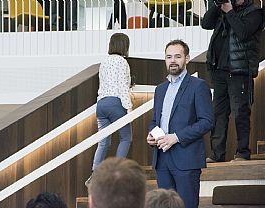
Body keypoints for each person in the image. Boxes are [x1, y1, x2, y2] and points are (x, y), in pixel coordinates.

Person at [146, 39, 214, 208]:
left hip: (186, 160)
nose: (173, 61)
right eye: (169, 57)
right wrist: (152, 134)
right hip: (162, 160)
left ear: (187, 59)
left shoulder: (198, 86)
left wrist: (176, 137)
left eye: (178, 56)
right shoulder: (160, 89)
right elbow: (155, 120)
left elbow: (207, 121)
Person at [201, 0, 263, 163]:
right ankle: (217, 154)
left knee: (240, 113)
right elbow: (205, 23)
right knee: (218, 114)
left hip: (239, 71)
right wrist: (217, 5)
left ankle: (242, 153)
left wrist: (229, 12)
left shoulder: (255, 12)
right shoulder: (223, 8)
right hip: (219, 70)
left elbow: (243, 33)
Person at [85, 33, 133, 186]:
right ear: (124, 46)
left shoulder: (104, 62)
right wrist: (129, 107)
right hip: (115, 103)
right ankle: (116, 173)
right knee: (126, 138)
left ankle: (95, 174)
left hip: (101, 104)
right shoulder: (122, 62)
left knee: (104, 141)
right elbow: (123, 86)